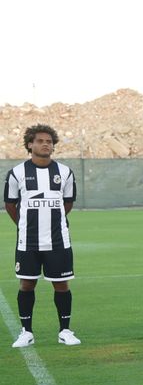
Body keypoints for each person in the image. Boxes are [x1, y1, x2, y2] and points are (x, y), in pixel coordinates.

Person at [6, 124, 79, 347]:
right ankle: (26, 332)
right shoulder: (17, 172)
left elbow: (67, 203)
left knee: (61, 285)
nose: (45, 144)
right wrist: (25, 225)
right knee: (26, 285)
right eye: (40, 141)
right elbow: (10, 205)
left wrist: (53, 222)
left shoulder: (64, 172)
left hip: (58, 241)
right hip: (28, 241)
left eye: (49, 141)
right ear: (30, 144)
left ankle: (65, 331)